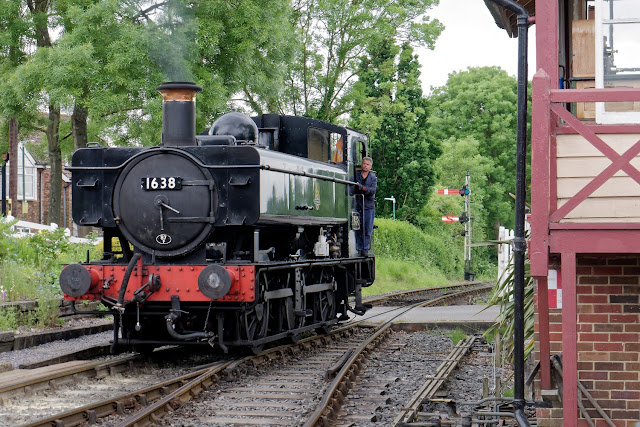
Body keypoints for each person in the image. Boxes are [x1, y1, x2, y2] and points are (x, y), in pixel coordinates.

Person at [355, 156, 377, 256]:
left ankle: (365, 249)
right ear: (361, 164)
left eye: (367, 164)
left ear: (370, 166)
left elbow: (373, 190)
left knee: (367, 228)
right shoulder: (356, 176)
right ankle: (358, 247)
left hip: (368, 206)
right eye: (364, 164)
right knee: (358, 227)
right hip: (357, 205)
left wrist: (364, 188)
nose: (365, 166)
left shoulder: (373, 178)